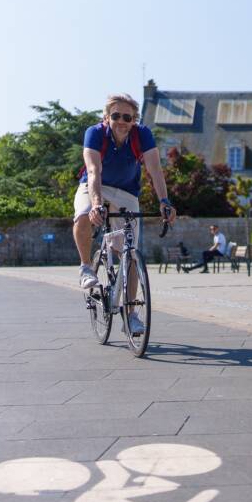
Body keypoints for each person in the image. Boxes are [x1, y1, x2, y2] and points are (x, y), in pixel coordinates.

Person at [74, 94, 175, 335]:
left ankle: (130, 316)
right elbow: (93, 170)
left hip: (127, 192)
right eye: (116, 115)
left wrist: (164, 201)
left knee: (129, 252)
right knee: (83, 214)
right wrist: (97, 203)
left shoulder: (142, 135)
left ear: (134, 120)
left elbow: (155, 170)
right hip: (95, 185)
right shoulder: (95, 133)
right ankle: (86, 267)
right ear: (106, 117)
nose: (121, 121)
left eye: (127, 117)